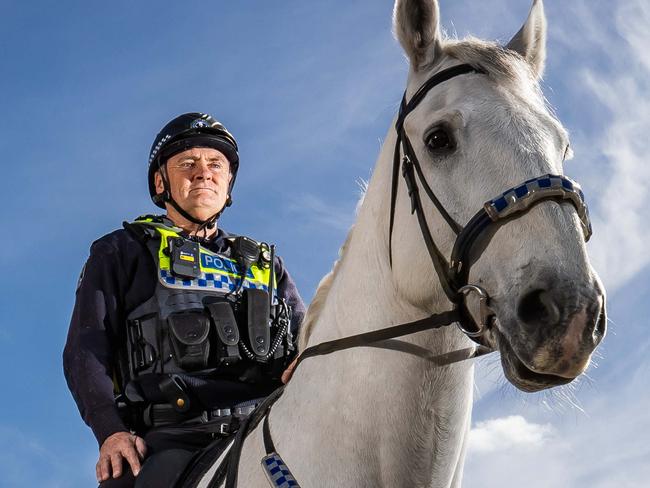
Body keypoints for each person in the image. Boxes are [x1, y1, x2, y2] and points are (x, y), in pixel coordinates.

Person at [63, 113, 306, 487]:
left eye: (215, 164)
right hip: (173, 438)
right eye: (187, 164)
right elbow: (86, 350)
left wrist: (303, 360)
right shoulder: (121, 251)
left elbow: (308, 340)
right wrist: (110, 431)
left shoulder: (266, 264)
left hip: (271, 426)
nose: (203, 173)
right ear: (161, 181)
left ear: (228, 182)